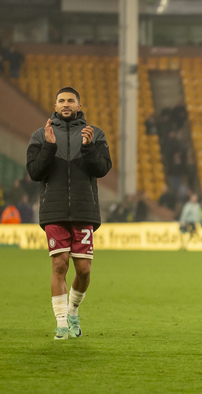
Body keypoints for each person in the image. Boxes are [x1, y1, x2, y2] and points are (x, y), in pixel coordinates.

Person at [26, 87, 112, 340]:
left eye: (70, 101)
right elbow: (35, 173)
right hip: (53, 209)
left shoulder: (94, 134)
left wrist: (87, 148)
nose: (66, 104)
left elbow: (103, 169)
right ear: (55, 106)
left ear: (78, 105)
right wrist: (49, 146)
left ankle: (73, 311)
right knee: (59, 264)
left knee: (83, 270)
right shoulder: (40, 135)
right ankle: (62, 324)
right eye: (61, 101)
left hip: (85, 208)